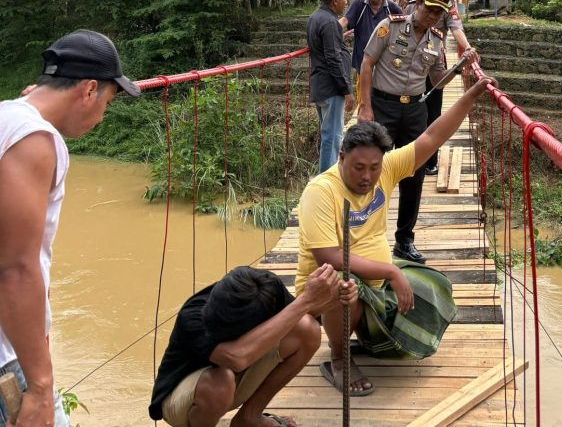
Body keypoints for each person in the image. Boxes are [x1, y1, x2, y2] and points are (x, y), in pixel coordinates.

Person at [295, 75, 495, 396]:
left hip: (377, 279)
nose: (367, 176)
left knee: (434, 287)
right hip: (326, 290)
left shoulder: (386, 168)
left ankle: (370, 331)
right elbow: (328, 256)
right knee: (341, 284)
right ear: (341, 158)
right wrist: (391, 271)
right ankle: (339, 359)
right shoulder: (321, 192)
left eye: (374, 167)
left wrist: (471, 95)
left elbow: (432, 137)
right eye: (358, 167)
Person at [0, 29, 140, 427]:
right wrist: (40, 386)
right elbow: (16, 269)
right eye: (107, 102)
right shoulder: (35, 140)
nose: (102, 116)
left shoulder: (8, 116)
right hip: (7, 356)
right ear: (89, 89)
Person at [149, 265, 356, 427]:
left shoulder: (265, 289)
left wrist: (336, 299)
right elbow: (236, 359)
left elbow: (304, 315)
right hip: (183, 398)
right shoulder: (193, 317)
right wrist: (305, 300)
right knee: (220, 381)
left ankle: (249, 417)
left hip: (233, 377)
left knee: (307, 329)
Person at [357, 0, 478, 263]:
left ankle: (404, 240)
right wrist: (365, 106)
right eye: (430, 10)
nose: (433, 17)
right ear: (418, 5)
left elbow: (437, 82)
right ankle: (364, 236)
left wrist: (459, 67)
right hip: (383, 107)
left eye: (439, 13)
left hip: (415, 111)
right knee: (371, 169)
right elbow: (367, 64)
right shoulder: (390, 27)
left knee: (414, 174)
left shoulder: (436, 40)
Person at [404, 0, 479, 176]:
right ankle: (407, 159)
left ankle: (430, 162)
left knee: (433, 113)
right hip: (411, 65)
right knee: (408, 110)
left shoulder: (446, 9)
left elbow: (456, 29)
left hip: (434, 63)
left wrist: (468, 49)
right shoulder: (411, 7)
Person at [307, 0, 355, 173]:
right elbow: (333, 59)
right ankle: (327, 181)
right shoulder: (329, 22)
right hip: (331, 87)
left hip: (320, 84)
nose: (346, 3)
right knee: (333, 137)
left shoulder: (315, 17)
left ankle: (324, 177)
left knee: (328, 134)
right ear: (335, 1)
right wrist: (347, 90)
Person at [339, 0, 403, 106]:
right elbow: (345, 20)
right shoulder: (359, 5)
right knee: (364, 103)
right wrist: (331, 29)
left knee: (383, 102)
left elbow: (404, 29)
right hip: (363, 64)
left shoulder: (392, 8)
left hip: (385, 67)